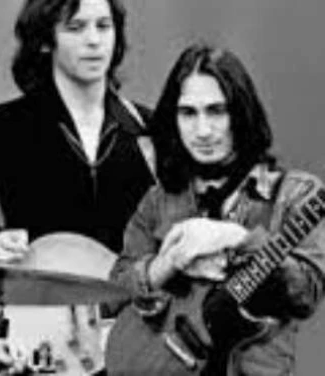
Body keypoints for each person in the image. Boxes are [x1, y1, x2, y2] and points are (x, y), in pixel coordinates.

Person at [0, 0, 156, 375]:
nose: (94, 40)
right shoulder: (5, 127)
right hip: (42, 337)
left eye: (104, 26)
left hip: (133, 337)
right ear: (45, 40)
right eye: (76, 27)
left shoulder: (148, 130)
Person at [108, 43, 325, 375]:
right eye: (188, 113)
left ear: (240, 113)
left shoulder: (296, 193)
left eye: (216, 111)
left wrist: (235, 237)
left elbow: (306, 294)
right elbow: (113, 294)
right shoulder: (159, 199)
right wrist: (171, 261)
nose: (203, 131)